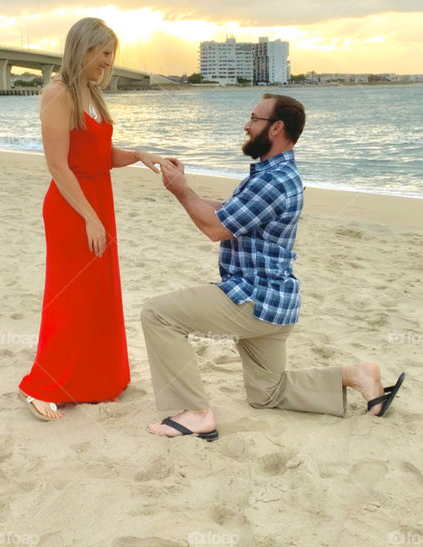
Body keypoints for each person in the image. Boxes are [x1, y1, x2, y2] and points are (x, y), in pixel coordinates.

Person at [141, 94, 404, 441]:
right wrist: (182, 187)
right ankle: (357, 375)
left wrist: (180, 190)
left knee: (158, 314)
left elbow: (215, 228)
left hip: (254, 298)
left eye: (254, 119)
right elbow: (226, 212)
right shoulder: (276, 174)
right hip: (275, 306)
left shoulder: (273, 181)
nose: (246, 126)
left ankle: (195, 412)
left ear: (277, 128)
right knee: (267, 394)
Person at [19, 18, 165, 421]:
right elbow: (58, 166)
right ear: (83, 49)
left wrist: (139, 155)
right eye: (103, 53)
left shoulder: (92, 94)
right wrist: (89, 217)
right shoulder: (57, 93)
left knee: (97, 297)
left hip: (98, 203)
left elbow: (100, 157)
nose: (108, 62)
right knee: (69, 298)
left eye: (110, 54)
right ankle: (43, 387)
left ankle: (96, 380)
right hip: (73, 207)